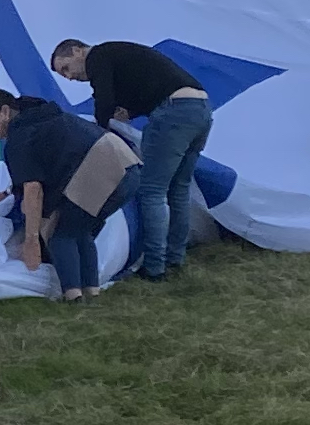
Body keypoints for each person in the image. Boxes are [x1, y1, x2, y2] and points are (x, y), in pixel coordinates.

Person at [53, 36, 214, 284]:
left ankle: (154, 267)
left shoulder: (98, 56)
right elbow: (147, 83)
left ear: (77, 51)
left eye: (66, 68)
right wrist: (131, 111)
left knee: (152, 191)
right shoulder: (117, 53)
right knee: (179, 188)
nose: (70, 77)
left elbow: (104, 98)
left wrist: (99, 132)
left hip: (173, 114)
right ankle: (175, 257)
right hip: (200, 108)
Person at [0, 87, 131, 300]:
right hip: (128, 165)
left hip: (103, 171)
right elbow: (44, 165)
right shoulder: (40, 115)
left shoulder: (20, 137)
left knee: (60, 235)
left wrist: (31, 240)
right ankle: (92, 291)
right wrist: (10, 191)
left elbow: (33, 189)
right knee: (80, 230)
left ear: (5, 111)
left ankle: (73, 295)